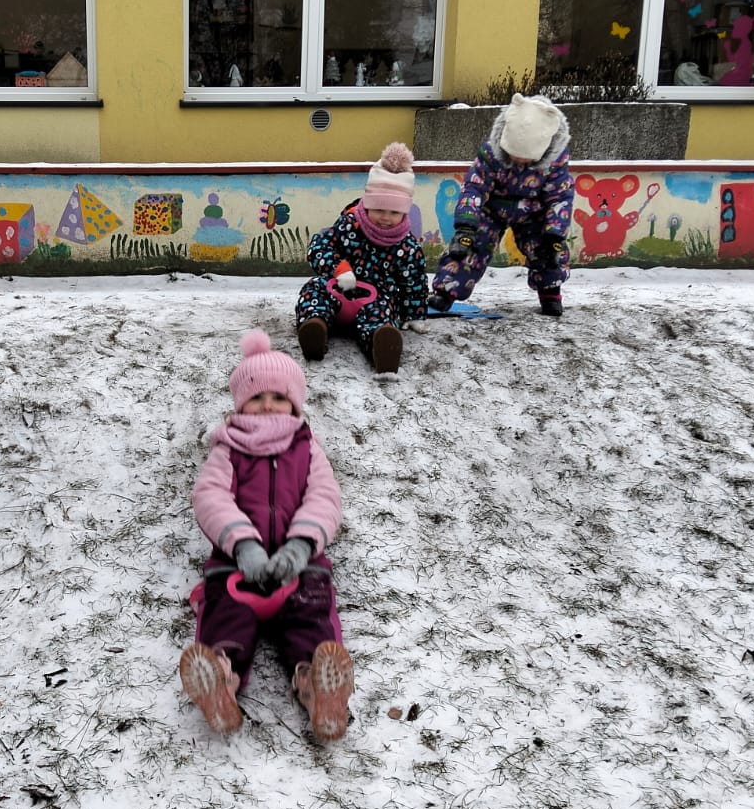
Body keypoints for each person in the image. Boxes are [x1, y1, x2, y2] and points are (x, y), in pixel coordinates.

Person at [178, 330, 354, 744]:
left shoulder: (307, 449)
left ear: (295, 402)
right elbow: (211, 496)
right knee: (226, 614)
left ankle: (316, 684)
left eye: (278, 396)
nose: (268, 404)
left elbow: (324, 497)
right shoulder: (228, 449)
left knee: (311, 614)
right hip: (237, 565)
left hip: (300, 565)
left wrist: (302, 544)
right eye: (257, 397)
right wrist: (243, 544)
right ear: (241, 404)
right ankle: (222, 676)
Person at [429, 91, 576, 317]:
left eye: (526, 158)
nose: (518, 161)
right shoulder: (491, 153)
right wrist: (466, 226)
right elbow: (474, 186)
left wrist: (554, 234)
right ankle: (446, 292)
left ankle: (550, 293)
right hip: (493, 209)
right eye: (513, 154)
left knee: (546, 250)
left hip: (533, 213)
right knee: (471, 245)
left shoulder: (555, 161)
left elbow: (560, 196)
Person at [295, 141, 428, 374]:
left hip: (375, 300)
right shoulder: (349, 225)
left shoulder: (407, 246)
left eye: (394, 212)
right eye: (379, 210)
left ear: (404, 212)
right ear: (367, 205)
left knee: (382, 313)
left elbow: (414, 282)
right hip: (338, 288)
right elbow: (319, 246)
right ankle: (315, 327)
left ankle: (382, 345)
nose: (385, 218)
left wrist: (414, 314)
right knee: (314, 290)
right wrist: (338, 268)